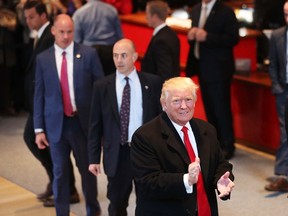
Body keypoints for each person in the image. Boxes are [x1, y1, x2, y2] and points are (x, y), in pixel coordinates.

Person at [130, 77, 235, 216]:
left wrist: (221, 179)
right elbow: (148, 182)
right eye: (176, 101)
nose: (184, 106)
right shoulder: (145, 136)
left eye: (188, 100)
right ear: (164, 104)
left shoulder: (207, 130)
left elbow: (220, 163)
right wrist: (186, 180)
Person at [33, 14, 103, 216]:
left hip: (82, 124)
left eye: (69, 32)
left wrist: (101, 124)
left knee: (87, 171)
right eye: (61, 32)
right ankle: (61, 212)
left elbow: (99, 90)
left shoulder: (88, 54)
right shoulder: (43, 59)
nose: (65, 36)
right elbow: (39, 95)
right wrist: (39, 129)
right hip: (56, 126)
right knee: (60, 173)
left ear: (74, 31)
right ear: (53, 31)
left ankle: (93, 210)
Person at [88, 38, 162, 216]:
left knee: (148, 203)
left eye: (123, 55)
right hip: (118, 154)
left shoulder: (152, 83)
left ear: (135, 57)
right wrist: (93, 158)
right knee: (117, 205)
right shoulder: (102, 86)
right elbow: (95, 125)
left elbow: (161, 121)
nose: (119, 60)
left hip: (145, 153)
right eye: (115, 56)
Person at [23, 0, 80, 207]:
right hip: (41, 105)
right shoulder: (41, 36)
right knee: (44, 145)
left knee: (44, 143)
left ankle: (66, 188)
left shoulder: (50, 37)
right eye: (26, 17)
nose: (27, 21)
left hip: (51, 106)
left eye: (31, 17)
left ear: (43, 16)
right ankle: (58, 183)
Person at [185, 0, 239, 160]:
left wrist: (208, 36)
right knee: (209, 107)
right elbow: (195, 39)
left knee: (221, 108)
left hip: (219, 69)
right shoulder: (195, 9)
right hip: (201, 66)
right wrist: (191, 36)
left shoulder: (226, 11)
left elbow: (232, 39)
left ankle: (228, 145)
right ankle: (216, 143)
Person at [265, 0, 288, 192]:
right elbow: (272, 64)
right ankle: (282, 175)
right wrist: (277, 86)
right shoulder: (277, 35)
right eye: (286, 14)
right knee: (285, 132)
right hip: (283, 91)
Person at [72, 0, 123, 76]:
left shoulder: (79, 13)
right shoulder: (112, 10)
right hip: (110, 53)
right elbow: (119, 36)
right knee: (110, 81)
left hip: (88, 53)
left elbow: (76, 40)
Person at [141, 0, 180, 83]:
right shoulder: (171, 33)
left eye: (147, 13)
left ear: (155, 16)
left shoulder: (161, 41)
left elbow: (165, 73)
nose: (146, 17)